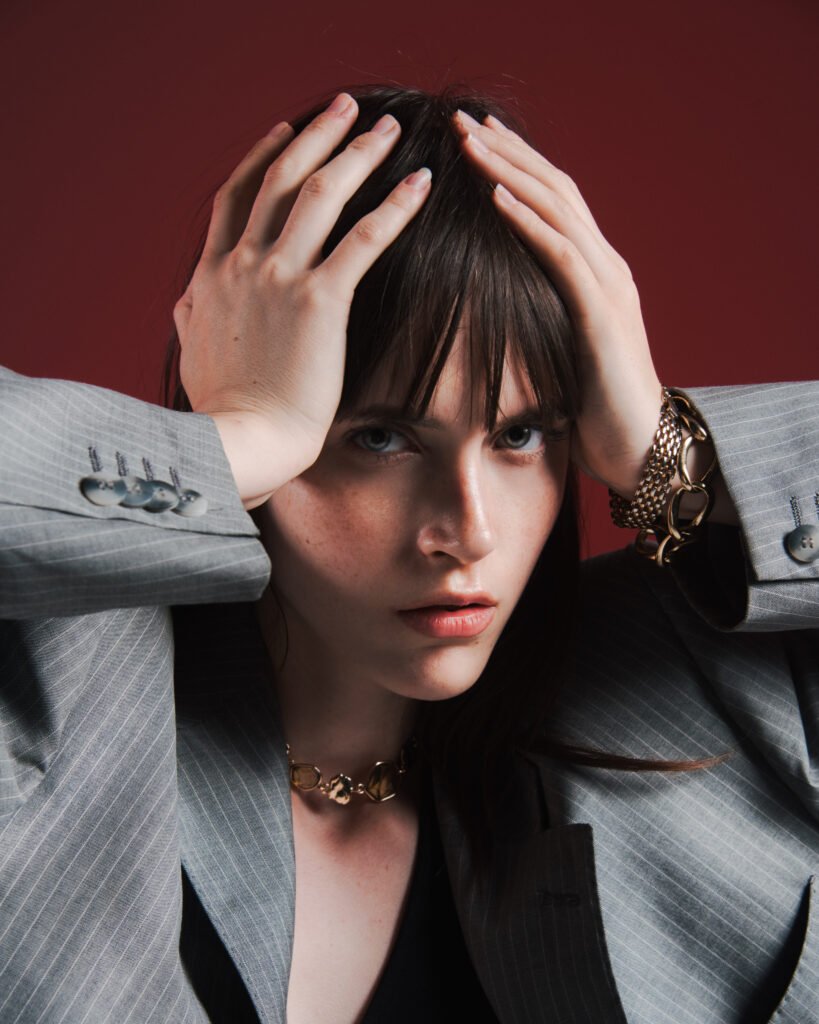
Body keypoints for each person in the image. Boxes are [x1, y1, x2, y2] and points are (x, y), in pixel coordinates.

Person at [0, 82, 817, 1024]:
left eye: (519, 435)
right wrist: (240, 441)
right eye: (379, 439)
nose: (468, 532)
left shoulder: (696, 698)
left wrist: (669, 455)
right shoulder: (62, 708)